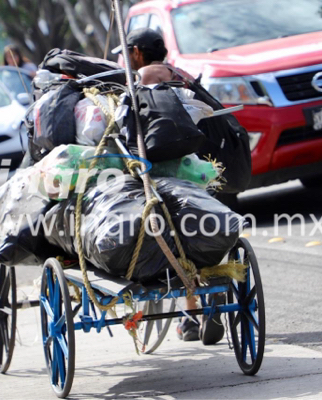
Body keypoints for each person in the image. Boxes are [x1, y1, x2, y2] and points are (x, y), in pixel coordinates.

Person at [113, 28, 224, 344]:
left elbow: (127, 124)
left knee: (167, 237)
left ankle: (190, 317)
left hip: (157, 170)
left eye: (126, 54)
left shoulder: (143, 77)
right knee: (197, 233)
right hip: (192, 166)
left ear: (136, 52)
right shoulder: (182, 74)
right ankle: (199, 309)